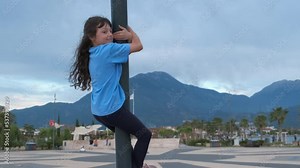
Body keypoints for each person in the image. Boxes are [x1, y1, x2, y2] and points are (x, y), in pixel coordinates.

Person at [69, 16, 152, 168]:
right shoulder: (108, 49)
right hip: (112, 109)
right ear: (92, 36)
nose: (109, 34)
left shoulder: (92, 52)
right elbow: (138, 46)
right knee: (145, 134)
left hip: (99, 111)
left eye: (110, 31)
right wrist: (130, 34)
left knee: (125, 140)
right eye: (104, 31)